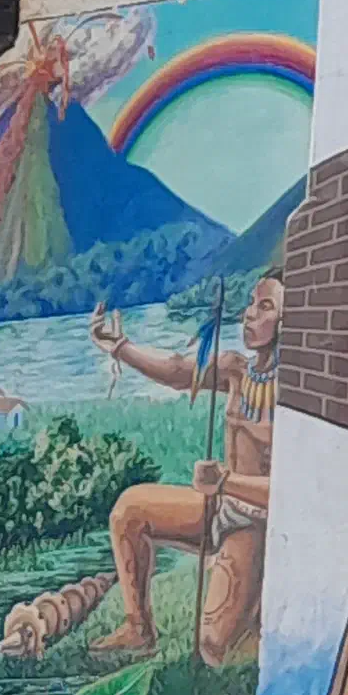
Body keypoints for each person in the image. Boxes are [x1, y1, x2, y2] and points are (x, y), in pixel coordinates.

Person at [86, 274, 284, 667]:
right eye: (251, 302)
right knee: (130, 510)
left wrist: (226, 481)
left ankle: (258, 620)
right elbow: (178, 371)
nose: (249, 314)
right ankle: (138, 628)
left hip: (258, 521)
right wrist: (121, 347)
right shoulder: (237, 370)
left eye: (265, 307)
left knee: (214, 647)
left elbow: (289, 490)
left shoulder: (296, 391)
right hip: (220, 505)